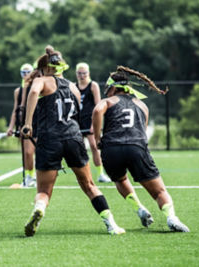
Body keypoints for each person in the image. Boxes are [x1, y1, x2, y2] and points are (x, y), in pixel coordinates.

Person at [21, 46, 125, 237]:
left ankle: (40, 209)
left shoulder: (41, 80)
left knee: (44, 190)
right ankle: (111, 224)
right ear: (61, 67)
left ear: (44, 68)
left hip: (49, 139)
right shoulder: (73, 87)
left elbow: (34, 92)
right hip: (73, 138)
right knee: (89, 185)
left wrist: (28, 123)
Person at [92, 66, 189, 232]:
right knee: (159, 191)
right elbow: (142, 132)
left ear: (114, 88)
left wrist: (98, 139)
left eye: (108, 89)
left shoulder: (107, 102)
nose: (106, 92)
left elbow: (97, 110)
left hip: (112, 148)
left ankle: (139, 208)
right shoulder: (142, 105)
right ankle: (171, 217)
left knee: (121, 180)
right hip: (136, 147)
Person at [75, 62, 111, 183]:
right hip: (77, 121)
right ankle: (83, 175)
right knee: (77, 150)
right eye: (79, 73)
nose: (82, 75)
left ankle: (101, 173)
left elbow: (98, 105)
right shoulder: (74, 86)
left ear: (88, 73)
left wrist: (93, 124)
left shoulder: (92, 85)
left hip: (89, 121)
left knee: (94, 147)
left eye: (84, 73)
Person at [7, 63, 36, 187]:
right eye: (23, 72)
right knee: (27, 152)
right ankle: (30, 176)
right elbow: (17, 109)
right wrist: (11, 126)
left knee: (39, 152)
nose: (25, 75)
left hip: (39, 121)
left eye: (28, 72)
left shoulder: (38, 86)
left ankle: (37, 175)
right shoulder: (19, 90)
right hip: (26, 123)